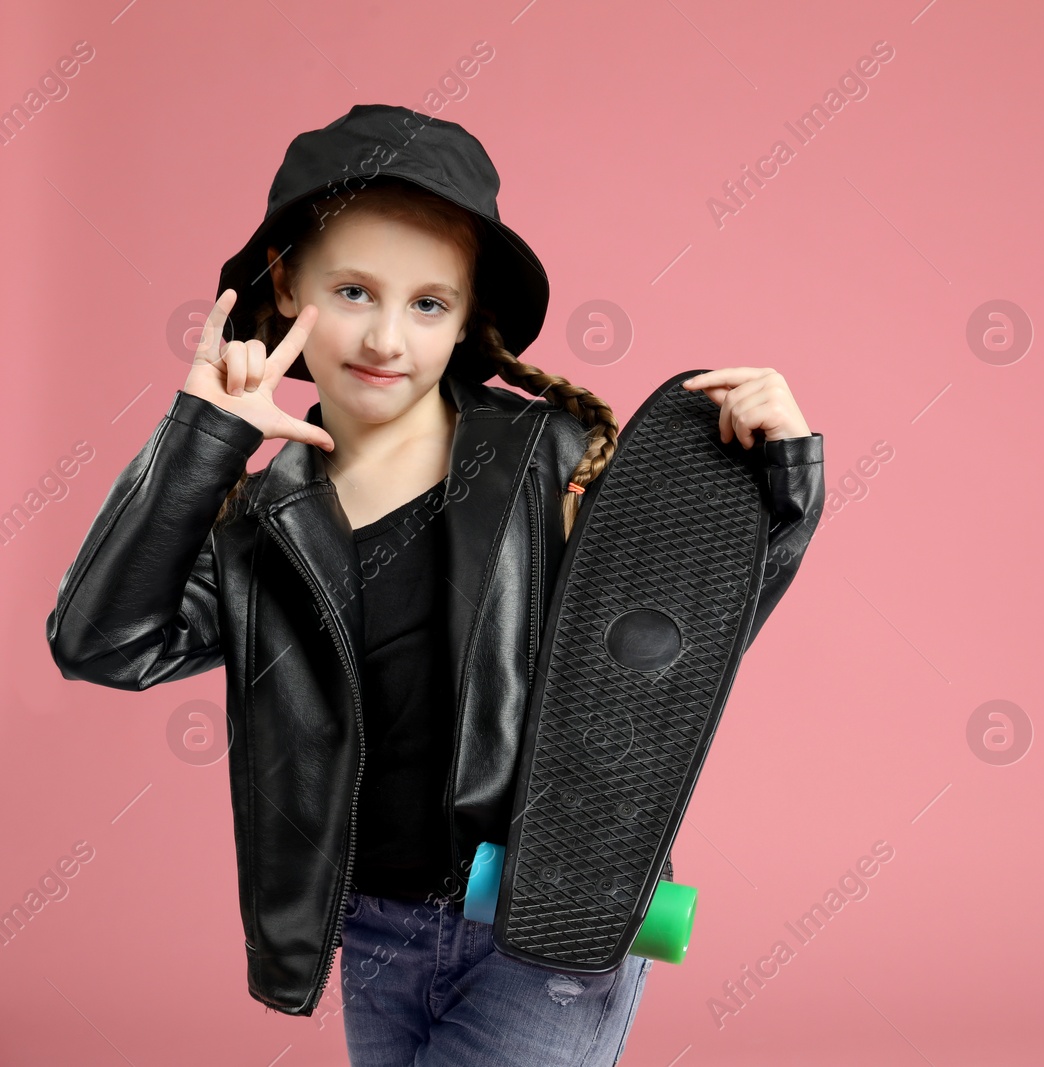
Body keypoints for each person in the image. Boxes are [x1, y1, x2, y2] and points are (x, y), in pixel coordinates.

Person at [44, 103, 825, 1065]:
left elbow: (678, 651)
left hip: (548, 920)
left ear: (465, 321)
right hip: (374, 933)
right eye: (355, 291)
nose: (386, 338)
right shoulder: (257, 523)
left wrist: (782, 489)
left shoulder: (554, 459)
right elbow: (99, 641)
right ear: (287, 284)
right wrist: (204, 436)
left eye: (428, 303)